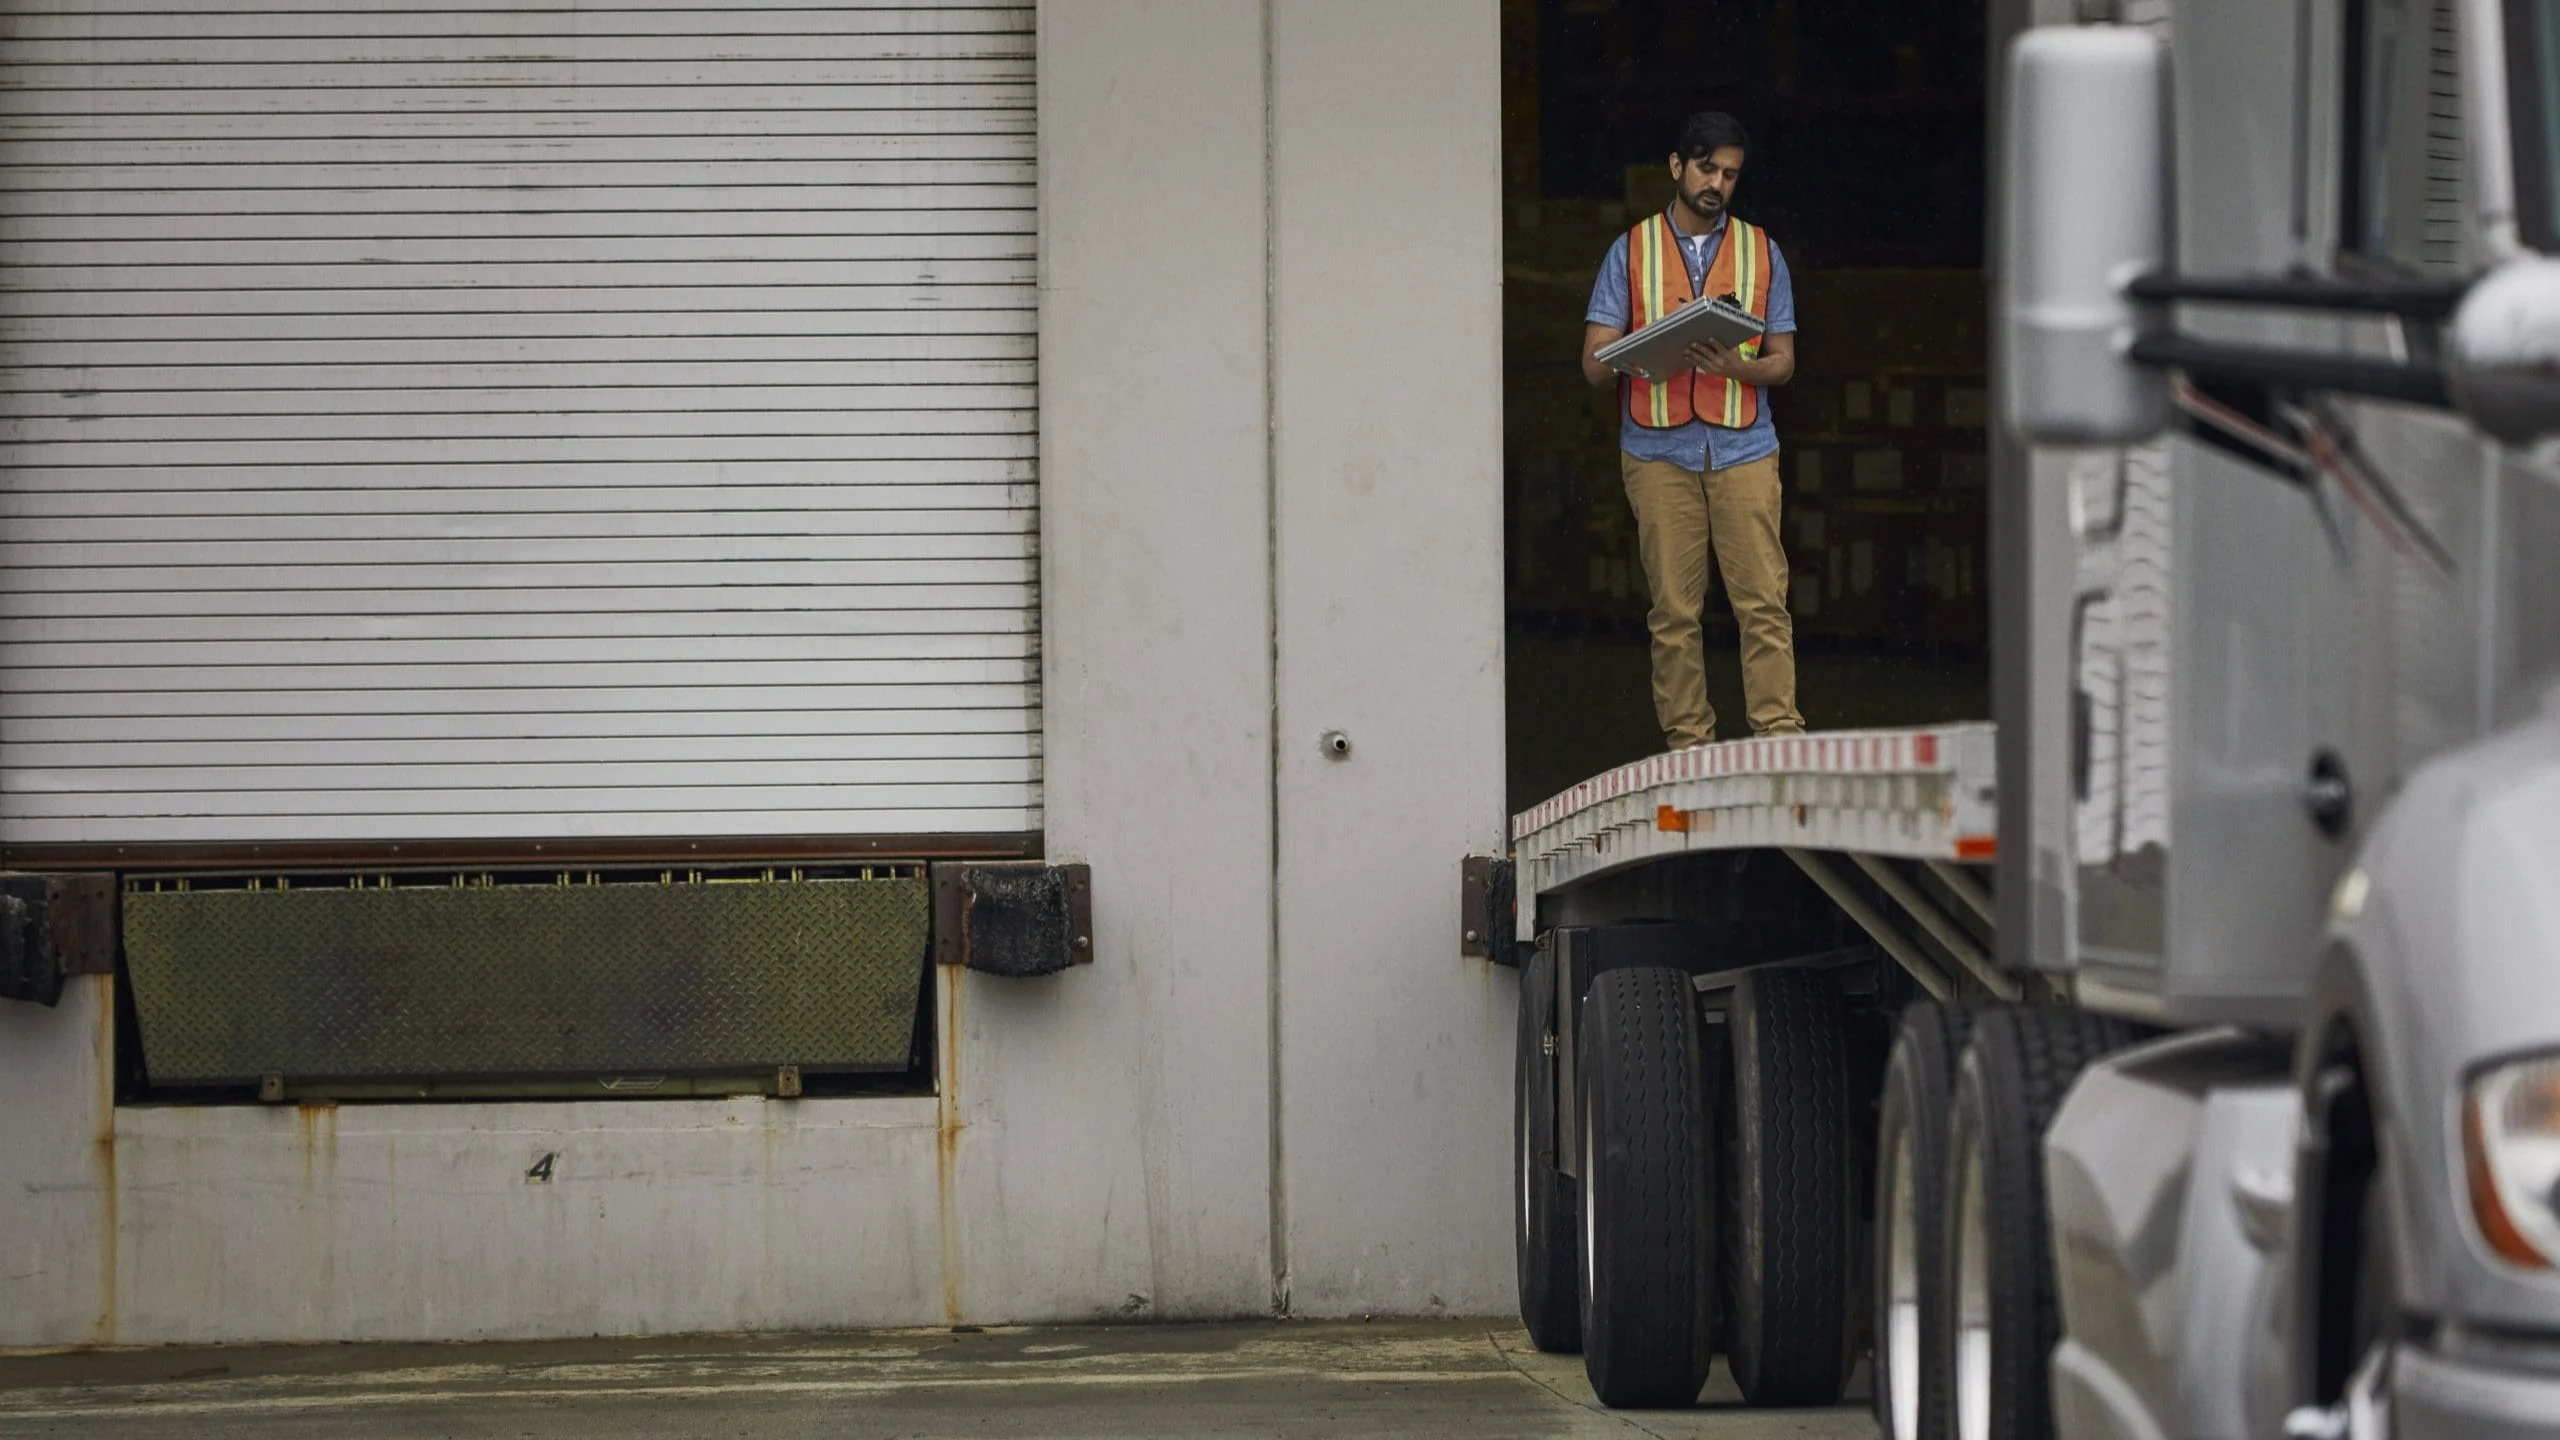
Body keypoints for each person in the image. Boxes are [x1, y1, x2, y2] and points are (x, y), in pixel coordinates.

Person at [1582, 111, 1805, 749]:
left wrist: (1739, 367)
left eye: (1730, 174)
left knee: (1763, 602)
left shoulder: (1764, 251)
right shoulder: (1630, 250)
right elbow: (1593, 364)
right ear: (1677, 167)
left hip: (1744, 445)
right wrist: (1648, 349)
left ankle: (1778, 736)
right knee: (1674, 613)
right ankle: (1689, 744)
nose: (1718, 183)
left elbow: (1784, 363)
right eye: (1707, 168)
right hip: (1656, 449)